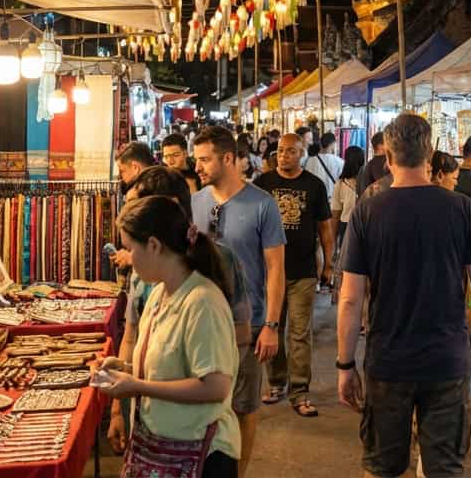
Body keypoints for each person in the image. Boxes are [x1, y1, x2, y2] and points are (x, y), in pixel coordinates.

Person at [337, 113, 471, 478]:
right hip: (447, 361)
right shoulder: (461, 208)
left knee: (382, 467)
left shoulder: (367, 212)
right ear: (429, 154)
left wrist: (345, 365)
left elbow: (351, 299)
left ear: (388, 158)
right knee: (444, 468)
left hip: (388, 361)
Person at [108, 166, 251, 456]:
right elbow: (168, 364)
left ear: (153, 245)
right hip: (164, 447)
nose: (127, 259)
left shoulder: (202, 302)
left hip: (199, 454)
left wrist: (138, 385)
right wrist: (124, 370)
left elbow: (215, 386)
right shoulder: (160, 292)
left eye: (129, 249)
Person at [190, 126, 287, 478]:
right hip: (201, 321)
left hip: (249, 323)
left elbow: (276, 268)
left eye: (204, 159)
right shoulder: (196, 202)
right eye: (196, 159)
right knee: (206, 400)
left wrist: (272, 326)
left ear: (228, 158)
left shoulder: (262, 203)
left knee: (244, 406)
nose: (197, 166)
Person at [253, 134, 334, 416]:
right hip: (268, 272)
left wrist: (328, 263)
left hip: (303, 272)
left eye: (290, 151)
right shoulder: (262, 185)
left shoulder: (314, 186)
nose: (283, 156)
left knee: (299, 333)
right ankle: (276, 382)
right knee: (272, 327)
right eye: (280, 151)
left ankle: (299, 390)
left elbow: (325, 228)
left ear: (301, 154)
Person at [330, 146, 366, 295]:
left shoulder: (340, 184)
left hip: (346, 226)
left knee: (347, 261)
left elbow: (335, 213)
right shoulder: (368, 183)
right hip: (364, 225)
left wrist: (332, 237)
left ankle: (345, 290)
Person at [303, 132, 344, 201]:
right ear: (333, 144)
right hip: (331, 200)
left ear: (320, 143)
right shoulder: (339, 162)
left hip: (314, 198)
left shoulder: (309, 161)